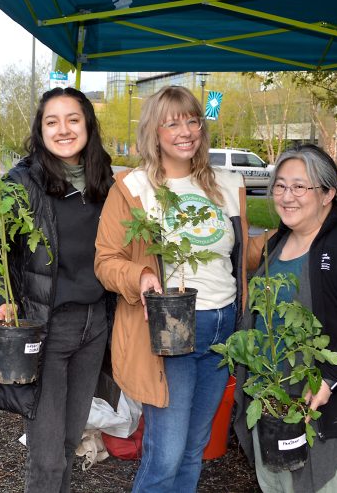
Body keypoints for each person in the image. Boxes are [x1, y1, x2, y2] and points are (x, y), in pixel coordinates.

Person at [94, 85, 261, 492]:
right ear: (154, 131)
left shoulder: (226, 182)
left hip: (224, 329)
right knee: (166, 452)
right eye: (172, 122)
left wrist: (287, 231)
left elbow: (239, 259)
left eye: (192, 120)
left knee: (195, 447)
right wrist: (140, 277)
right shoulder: (133, 188)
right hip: (172, 330)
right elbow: (105, 260)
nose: (185, 130)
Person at [0, 87, 114, 492]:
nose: (64, 129)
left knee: (70, 442)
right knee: (48, 452)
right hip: (45, 328)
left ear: (88, 124)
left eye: (73, 119)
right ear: (40, 130)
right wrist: (1, 301)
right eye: (52, 122)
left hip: (95, 326)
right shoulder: (20, 184)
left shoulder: (104, 182)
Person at [236, 143, 337, 492]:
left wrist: (327, 379)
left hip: (326, 405)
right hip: (274, 403)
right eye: (280, 185)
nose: (287, 196)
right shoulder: (277, 243)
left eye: (299, 186)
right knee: (275, 484)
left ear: (327, 194)